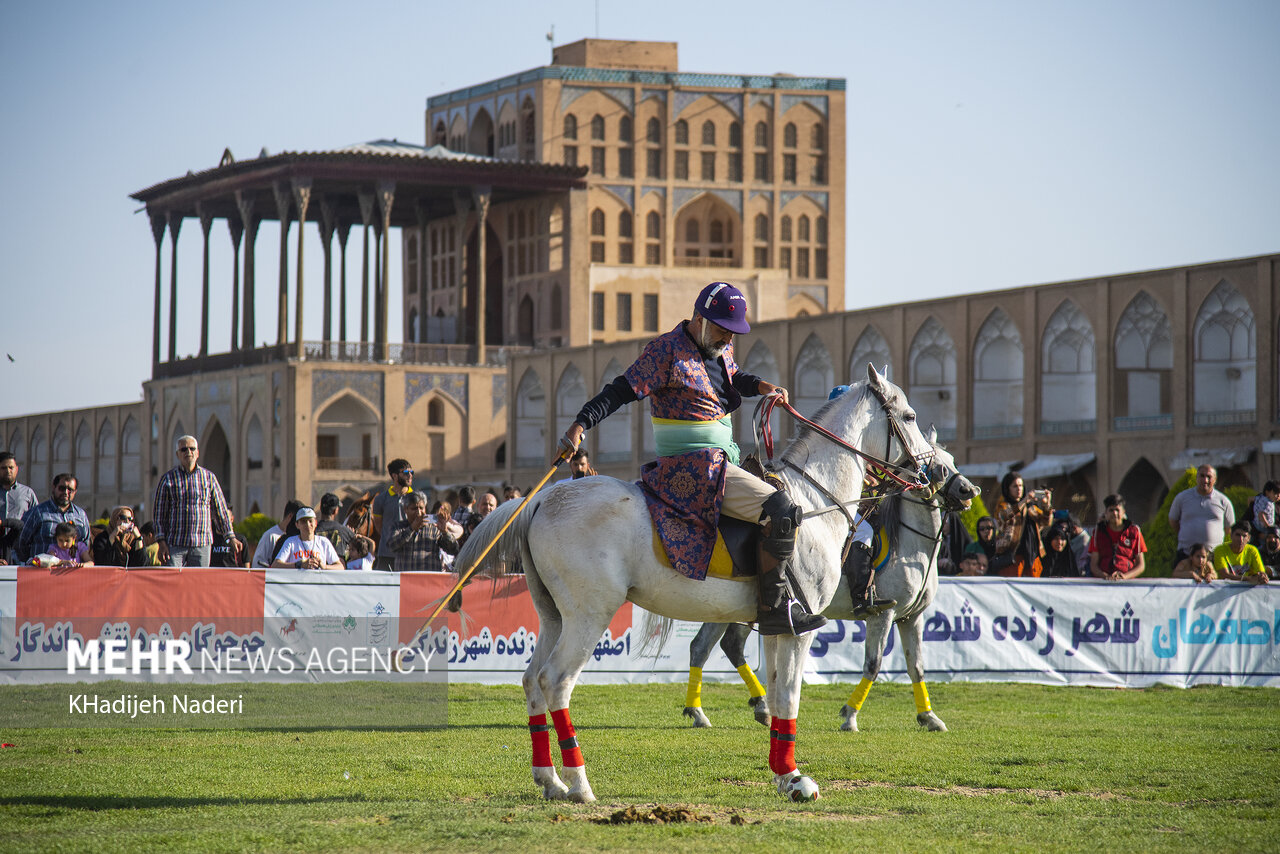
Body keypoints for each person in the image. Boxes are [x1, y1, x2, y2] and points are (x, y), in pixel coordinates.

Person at [559, 281, 831, 635]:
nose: (728, 339)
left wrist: (761, 385)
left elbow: (732, 378)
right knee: (781, 509)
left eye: (733, 334)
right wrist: (582, 424)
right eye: (723, 330)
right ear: (700, 320)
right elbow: (621, 390)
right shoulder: (665, 351)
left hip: (724, 460)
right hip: (692, 468)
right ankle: (774, 609)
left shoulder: (720, 349)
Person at [151, 435, 235, 567]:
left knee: (198, 584)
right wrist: (161, 542)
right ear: (178, 454)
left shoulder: (209, 478)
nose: (188, 452)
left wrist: (230, 537)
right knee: (173, 583)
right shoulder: (168, 479)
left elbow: (221, 510)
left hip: (202, 544)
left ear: (197, 453)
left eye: (192, 449)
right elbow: (159, 514)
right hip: (175, 544)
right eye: (184, 449)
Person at [1169, 464, 1234, 569]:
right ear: (1196, 478)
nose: (1205, 480)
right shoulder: (1182, 498)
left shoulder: (1223, 501)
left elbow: (1228, 529)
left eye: (1209, 477)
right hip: (1186, 555)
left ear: (1215, 479)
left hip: (1213, 557)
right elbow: (1173, 521)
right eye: (1202, 476)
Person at [17, 473, 91, 562]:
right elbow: (21, 542)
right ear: (53, 487)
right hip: (43, 572)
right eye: (62, 488)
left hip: (73, 572)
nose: (66, 492)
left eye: (70, 490)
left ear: (75, 492)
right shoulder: (38, 513)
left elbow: (85, 543)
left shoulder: (80, 515)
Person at [991, 473, 1051, 577]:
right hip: (1012, 555)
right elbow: (1005, 516)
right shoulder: (1003, 505)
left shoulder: (1030, 507)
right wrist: (1024, 501)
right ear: (1007, 488)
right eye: (1015, 486)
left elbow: (1046, 522)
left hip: (1032, 554)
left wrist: (1047, 505)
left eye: (1021, 486)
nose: (1019, 489)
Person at [384, 491, 460, 573]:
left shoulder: (434, 527)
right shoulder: (398, 527)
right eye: (414, 509)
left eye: (421, 508)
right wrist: (412, 528)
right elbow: (392, 546)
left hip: (428, 580)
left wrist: (445, 532)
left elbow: (453, 549)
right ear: (405, 510)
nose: (418, 513)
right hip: (406, 580)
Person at [1088, 494, 1146, 581]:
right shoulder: (1098, 532)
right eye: (1111, 510)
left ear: (1123, 512)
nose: (1114, 513)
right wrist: (1106, 577)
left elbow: (1141, 565)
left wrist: (1124, 577)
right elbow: (1093, 565)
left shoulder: (1134, 531)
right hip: (1104, 583)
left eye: (1117, 510)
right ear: (1106, 513)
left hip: (1128, 582)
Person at [371, 459, 415, 571]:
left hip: (409, 554)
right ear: (394, 476)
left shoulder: (417, 499)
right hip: (386, 554)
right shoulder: (381, 499)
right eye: (405, 473)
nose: (410, 476)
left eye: (411, 472)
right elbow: (379, 526)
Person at [271, 507, 344, 570]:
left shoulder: (323, 542)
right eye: (303, 522)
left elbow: (340, 567)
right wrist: (299, 565)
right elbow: (275, 565)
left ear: (315, 523)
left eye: (310, 521)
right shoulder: (291, 542)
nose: (308, 525)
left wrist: (324, 567)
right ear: (297, 525)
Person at [0, 451, 38, 564]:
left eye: (11, 467)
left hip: (21, 551)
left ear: (16, 469)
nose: (8, 471)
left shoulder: (27, 493)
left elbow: (36, 520)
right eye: (3, 468)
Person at [1211, 520, 1268, 585]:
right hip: (1224, 588)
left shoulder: (1253, 550)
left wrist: (1262, 577)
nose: (1241, 539)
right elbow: (1225, 575)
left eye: (1244, 536)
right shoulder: (1220, 549)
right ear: (1231, 536)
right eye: (1238, 535)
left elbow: (1260, 572)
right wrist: (1248, 579)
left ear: (1249, 538)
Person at [251, 499, 303, 568]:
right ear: (291, 516)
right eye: (300, 519)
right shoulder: (270, 536)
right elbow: (258, 564)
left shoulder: (299, 537)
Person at [315, 493, 354, 563]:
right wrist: (351, 534)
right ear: (335, 511)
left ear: (320, 508)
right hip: (338, 571)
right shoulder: (344, 531)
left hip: (317, 571)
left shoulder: (312, 531)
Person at [1247, 481, 1280, 546]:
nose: (1278, 496)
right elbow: (1261, 515)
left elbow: (1249, 499)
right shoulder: (1268, 503)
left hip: (1256, 524)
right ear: (1267, 493)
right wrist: (1268, 526)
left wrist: (1251, 508)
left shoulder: (1259, 498)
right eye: (1275, 493)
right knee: (1263, 544)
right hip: (1263, 528)